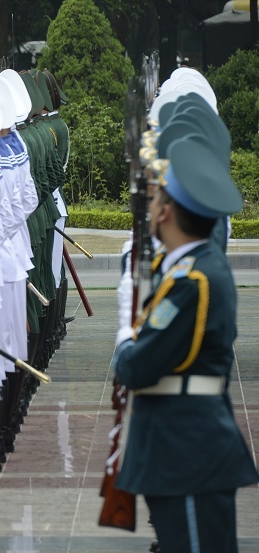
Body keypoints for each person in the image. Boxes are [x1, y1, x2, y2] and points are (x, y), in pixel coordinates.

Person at [112, 131, 258, 551]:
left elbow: (136, 366)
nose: (149, 206)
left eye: (156, 198)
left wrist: (125, 333)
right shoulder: (187, 268)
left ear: (167, 213)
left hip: (187, 452)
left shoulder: (193, 280)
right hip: (178, 446)